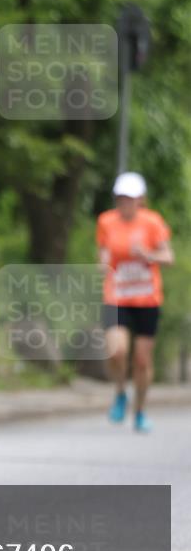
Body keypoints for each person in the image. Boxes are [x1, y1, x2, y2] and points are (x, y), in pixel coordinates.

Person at [97, 171, 174, 433]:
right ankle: (121, 392)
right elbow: (104, 253)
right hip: (116, 295)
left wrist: (148, 254)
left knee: (142, 360)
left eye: (130, 198)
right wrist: (103, 264)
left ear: (141, 199)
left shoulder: (152, 222)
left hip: (146, 298)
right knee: (116, 351)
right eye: (120, 197)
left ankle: (140, 411)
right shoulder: (106, 221)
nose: (124, 202)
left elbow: (168, 257)